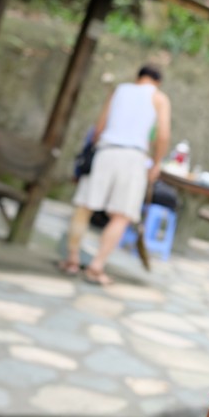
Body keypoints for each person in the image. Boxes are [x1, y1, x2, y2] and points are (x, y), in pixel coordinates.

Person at [59, 64, 171, 285]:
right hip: (133, 158)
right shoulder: (159, 98)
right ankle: (96, 266)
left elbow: (99, 128)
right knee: (121, 215)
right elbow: (163, 135)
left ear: (138, 77)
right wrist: (156, 163)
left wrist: (91, 150)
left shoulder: (120, 90)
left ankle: (72, 260)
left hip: (106, 151)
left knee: (84, 207)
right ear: (157, 81)